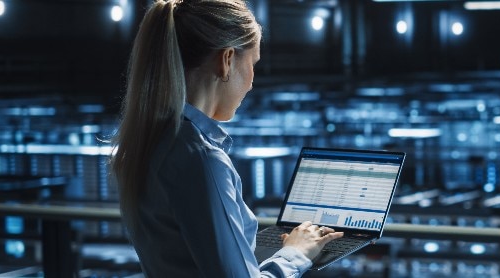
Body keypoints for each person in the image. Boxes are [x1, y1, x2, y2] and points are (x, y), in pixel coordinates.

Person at [109, 0, 342, 277]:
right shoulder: (201, 159)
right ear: (227, 60)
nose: (252, 81)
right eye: (252, 64)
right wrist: (295, 254)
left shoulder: (150, 141)